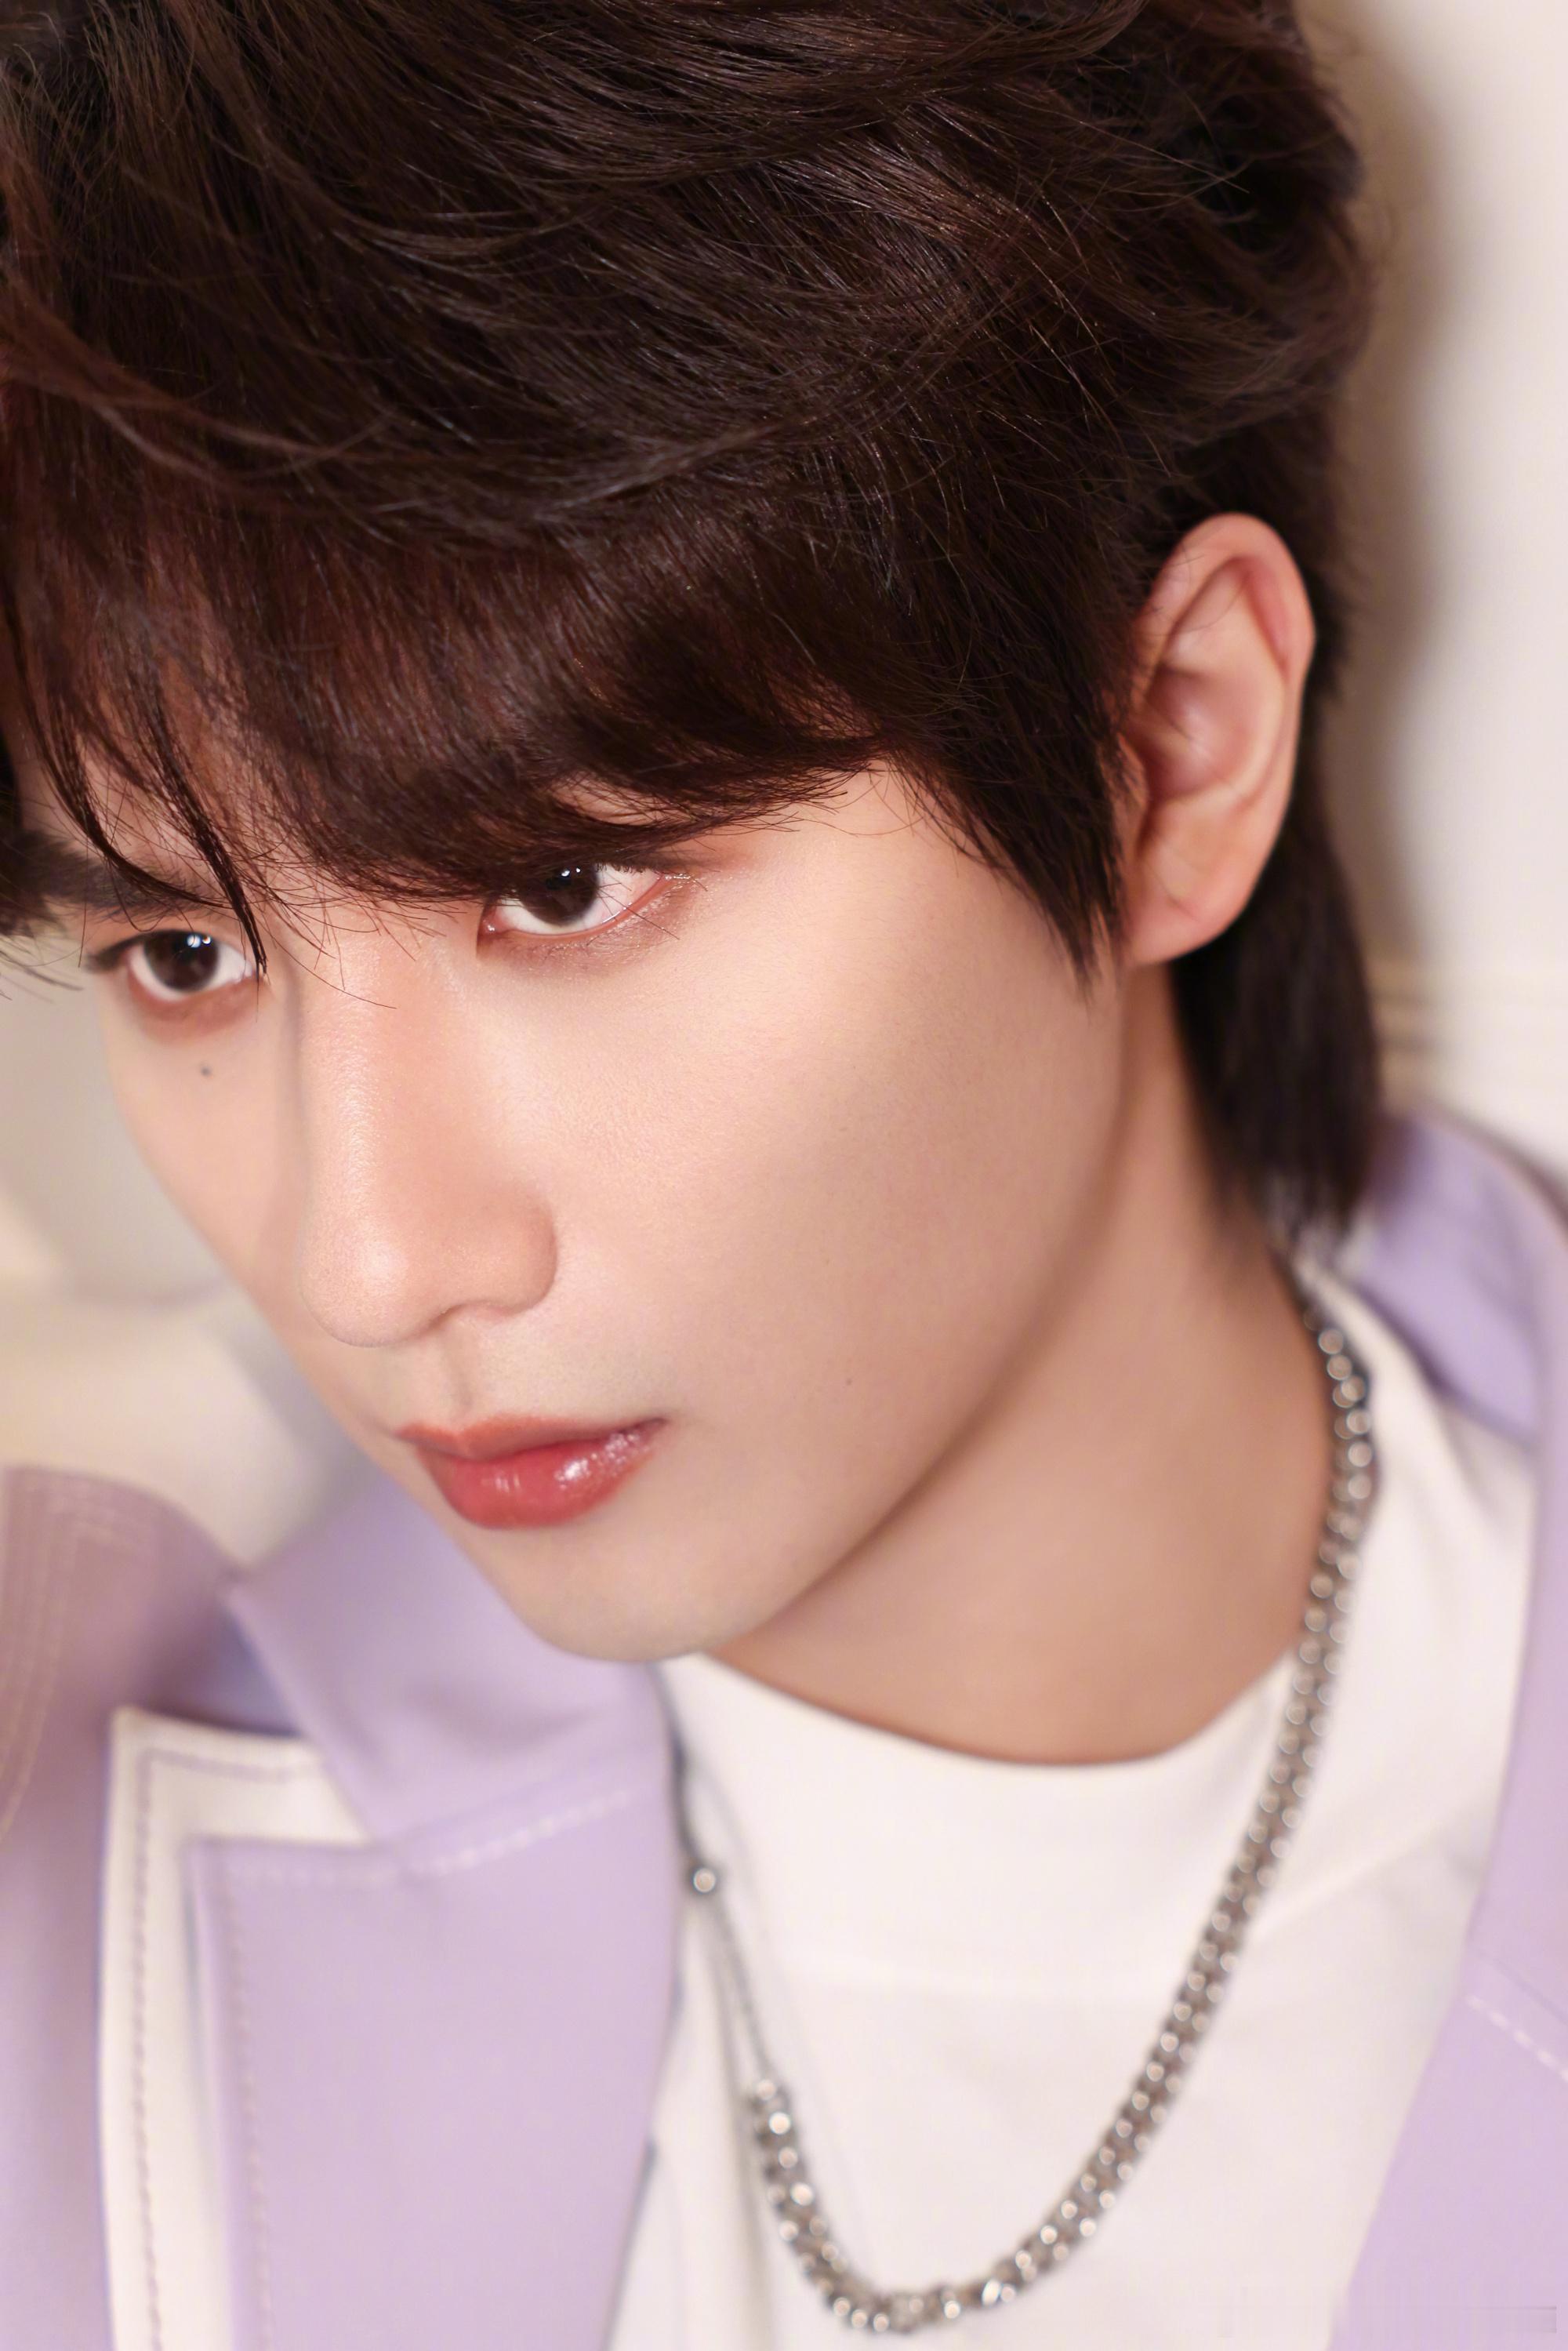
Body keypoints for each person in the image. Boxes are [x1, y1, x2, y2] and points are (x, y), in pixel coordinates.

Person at [1, 3, 1565, 2347]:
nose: (374, 1257)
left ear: (1170, 749)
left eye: (562, 889)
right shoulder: (62, 1845)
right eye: (188, 953)